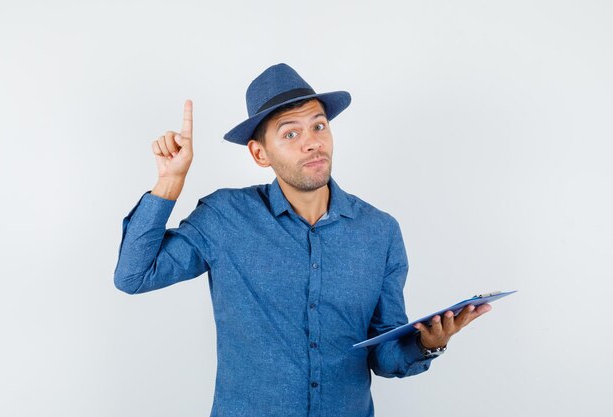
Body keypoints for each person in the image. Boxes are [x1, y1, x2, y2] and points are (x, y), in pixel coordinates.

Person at [113, 63, 491, 417]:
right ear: (260, 153)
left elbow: (384, 356)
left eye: (319, 126)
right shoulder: (225, 216)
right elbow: (134, 276)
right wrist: (169, 183)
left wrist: (428, 344)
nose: (312, 143)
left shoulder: (380, 231)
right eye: (290, 133)